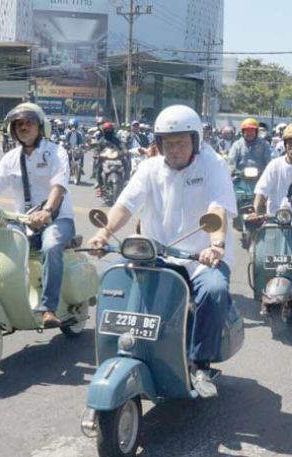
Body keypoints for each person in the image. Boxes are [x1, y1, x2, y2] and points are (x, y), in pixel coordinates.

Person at [87, 105, 238, 398]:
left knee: (214, 289)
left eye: (181, 141)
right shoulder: (149, 168)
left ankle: (200, 363)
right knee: (112, 277)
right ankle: (117, 349)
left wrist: (216, 245)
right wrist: (103, 233)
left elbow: (217, 208)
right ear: (158, 143)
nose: (174, 148)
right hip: (155, 254)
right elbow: (126, 205)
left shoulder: (213, 164)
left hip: (199, 258)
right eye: (167, 142)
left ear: (196, 140)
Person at [0, 103, 74, 328]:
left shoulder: (55, 152)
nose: (24, 127)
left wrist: (47, 211)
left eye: (29, 122)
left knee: (51, 246)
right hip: (24, 222)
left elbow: (58, 186)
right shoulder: (10, 157)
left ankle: (48, 308)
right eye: (19, 124)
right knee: (1, 247)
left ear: (41, 127)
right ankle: (7, 297)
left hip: (57, 219)